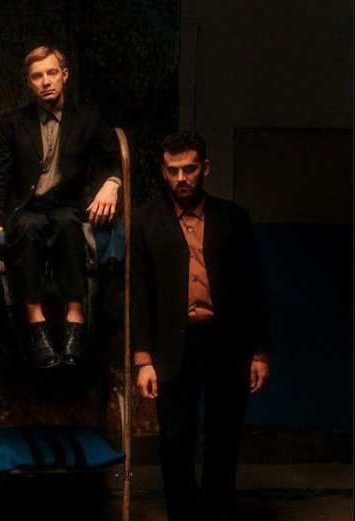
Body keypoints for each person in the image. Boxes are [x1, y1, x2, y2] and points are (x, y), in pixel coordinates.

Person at [131, 130, 271, 521]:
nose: (181, 178)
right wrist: (143, 359)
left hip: (227, 342)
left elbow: (252, 288)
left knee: (224, 439)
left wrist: (260, 352)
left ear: (205, 168)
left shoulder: (233, 219)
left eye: (189, 169)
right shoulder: (145, 221)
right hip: (173, 346)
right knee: (175, 441)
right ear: (163, 171)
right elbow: (139, 294)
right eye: (173, 170)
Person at [0, 45, 122, 369]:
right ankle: (36, 324)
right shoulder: (13, 123)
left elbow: (113, 160)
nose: (45, 81)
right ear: (29, 83)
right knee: (27, 228)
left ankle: (75, 319)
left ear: (64, 75)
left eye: (52, 73)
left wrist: (112, 184)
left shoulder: (88, 118)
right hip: (26, 208)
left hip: (67, 205)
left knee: (68, 224)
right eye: (37, 76)